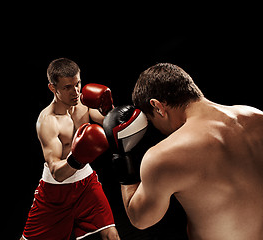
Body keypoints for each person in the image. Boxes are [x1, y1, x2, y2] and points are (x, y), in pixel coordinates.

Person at [104, 63, 263, 240]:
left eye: (151, 120)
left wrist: (121, 154)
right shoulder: (257, 117)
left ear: (157, 106)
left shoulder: (163, 155)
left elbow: (140, 218)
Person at [21, 58, 120, 240]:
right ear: (53, 88)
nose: (75, 92)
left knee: (111, 235)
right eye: (67, 87)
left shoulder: (83, 103)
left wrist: (110, 110)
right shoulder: (48, 121)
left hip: (86, 183)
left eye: (78, 84)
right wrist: (78, 157)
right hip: (55, 191)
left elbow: (111, 124)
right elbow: (57, 172)